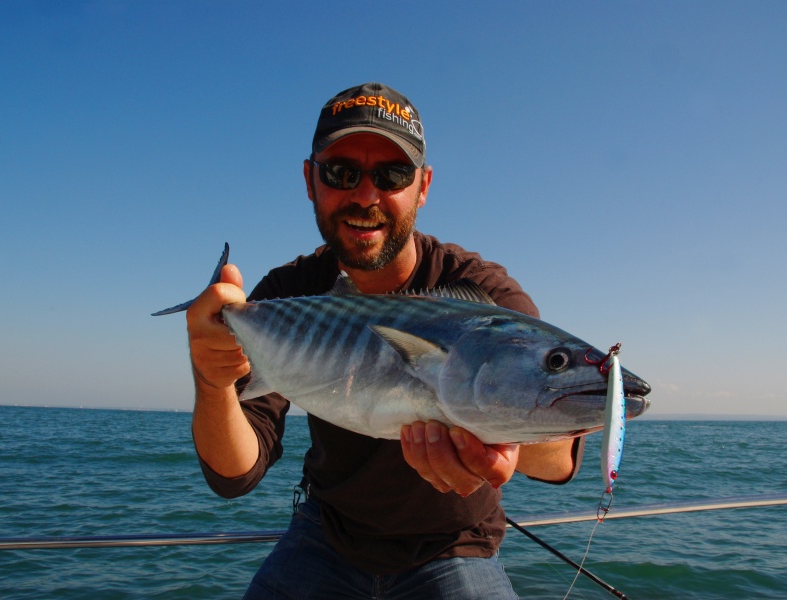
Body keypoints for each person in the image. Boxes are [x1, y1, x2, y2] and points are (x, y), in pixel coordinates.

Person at [186, 82, 584, 599]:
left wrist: (511, 442)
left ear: (423, 186)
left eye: (392, 174)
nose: (366, 195)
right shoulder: (287, 297)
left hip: (452, 548)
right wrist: (212, 378)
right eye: (341, 172)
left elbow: (560, 461)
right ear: (310, 180)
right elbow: (235, 475)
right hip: (325, 537)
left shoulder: (482, 296)